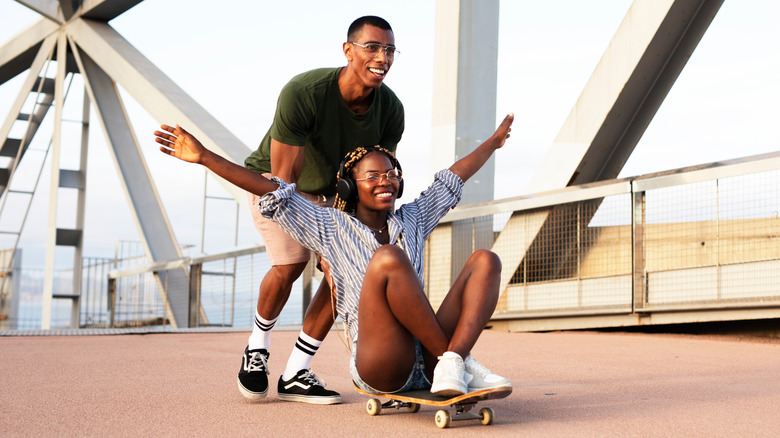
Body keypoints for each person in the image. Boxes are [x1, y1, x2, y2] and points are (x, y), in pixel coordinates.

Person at [153, 112, 515, 397]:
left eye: (391, 174)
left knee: (486, 260)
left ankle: (452, 361)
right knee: (389, 259)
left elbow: (451, 180)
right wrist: (203, 157)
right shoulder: (330, 226)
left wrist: (494, 143)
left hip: (429, 355)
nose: (385, 181)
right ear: (348, 186)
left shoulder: (413, 219)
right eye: (373, 176)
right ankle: (459, 364)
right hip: (384, 362)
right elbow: (270, 190)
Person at [238, 15, 404, 404]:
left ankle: (296, 371)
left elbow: (379, 174)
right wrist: (318, 242)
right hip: (275, 182)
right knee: (291, 263)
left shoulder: (391, 110)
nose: (383, 57)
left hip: (335, 193)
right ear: (348, 51)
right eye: (373, 47)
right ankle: (257, 347)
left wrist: (347, 248)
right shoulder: (305, 92)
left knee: (341, 275)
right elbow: (284, 184)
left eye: (390, 50)